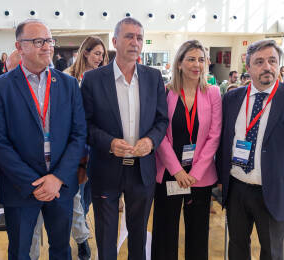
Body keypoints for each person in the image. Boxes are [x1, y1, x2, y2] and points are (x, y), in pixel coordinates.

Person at [0, 19, 86, 260]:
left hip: (60, 186)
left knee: (61, 250)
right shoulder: (0, 87)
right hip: (20, 188)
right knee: (20, 251)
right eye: (38, 41)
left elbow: (79, 135)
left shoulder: (69, 84)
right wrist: (35, 183)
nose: (47, 47)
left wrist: (57, 178)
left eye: (50, 40)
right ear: (19, 47)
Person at [217, 39, 284, 260]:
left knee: (272, 251)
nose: (267, 67)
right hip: (236, 188)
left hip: (276, 189)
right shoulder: (232, 99)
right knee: (236, 246)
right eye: (260, 61)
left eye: (273, 61)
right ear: (248, 67)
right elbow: (224, 140)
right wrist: (220, 177)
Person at [81, 17, 168, 259]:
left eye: (139, 37)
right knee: (106, 237)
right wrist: (108, 143)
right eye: (129, 36)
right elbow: (85, 125)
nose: (135, 42)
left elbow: (162, 120)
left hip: (142, 170)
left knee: (139, 236)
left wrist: (150, 142)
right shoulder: (93, 79)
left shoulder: (153, 77)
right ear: (115, 41)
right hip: (105, 168)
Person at [152, 40, 221, 260]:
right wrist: (177, 171)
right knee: (165, 233)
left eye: (201, 60)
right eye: (191, 59)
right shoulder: (165, 93)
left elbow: (214, 136)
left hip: (200, 177)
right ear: (179, 63)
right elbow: (160, 135)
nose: (197, 65)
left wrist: (194, 173)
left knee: (198, 234)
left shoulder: (213, 93)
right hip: (169, 174)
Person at [64, 35, 109, 259]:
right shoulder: (68, 77)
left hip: (97, 147)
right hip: (76, 147)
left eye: (102, 55)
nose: (100, 58)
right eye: (97, 54)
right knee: (76, 197)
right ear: (86, 53)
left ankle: (81, 232)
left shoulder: (102, 78)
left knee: (88, 197)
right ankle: (81, 238)